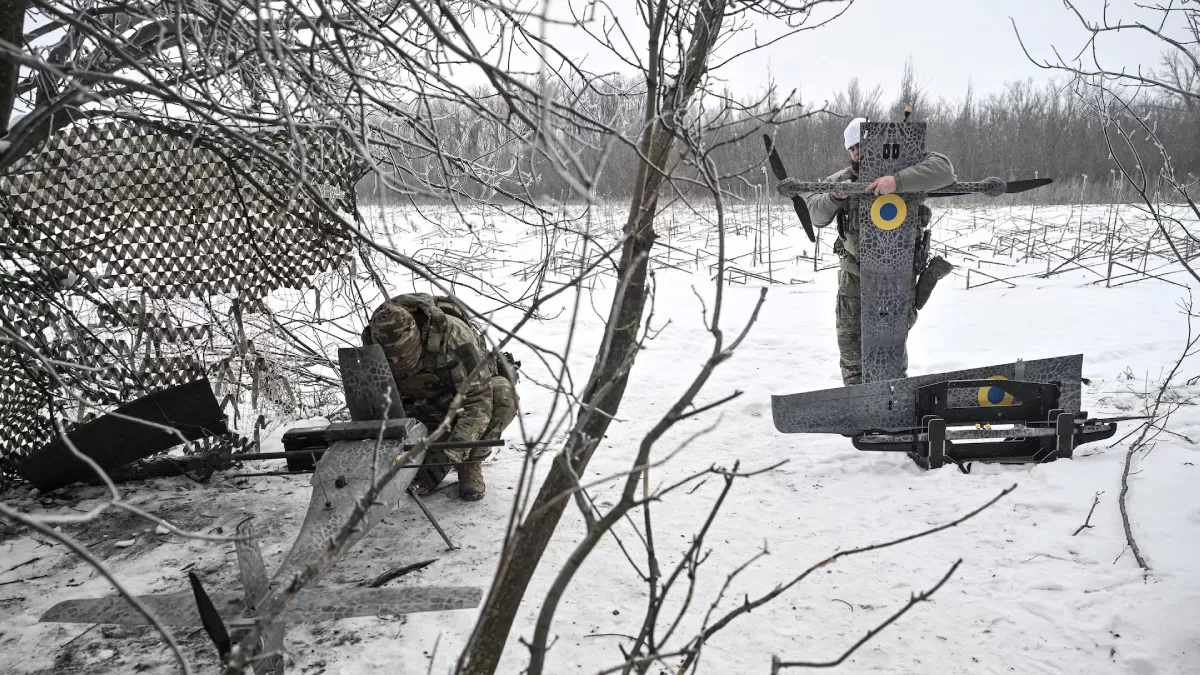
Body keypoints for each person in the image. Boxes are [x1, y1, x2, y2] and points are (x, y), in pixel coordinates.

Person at [803, 117, 957, 385]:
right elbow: (815, 215)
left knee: (890, 350)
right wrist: (835, 196)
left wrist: (897, 181)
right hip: (855, 278)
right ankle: (857, 409)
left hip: (895, 279)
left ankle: (892, 407)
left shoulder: (911, 167)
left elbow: (945, 171)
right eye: (851, 149)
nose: (856, 153)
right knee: (852, 352)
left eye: (861, 146)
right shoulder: (842, 180)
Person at [361, 292, 520, 501]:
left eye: (402, 354)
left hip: (462, 402)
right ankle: (427, 458)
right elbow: (375, 398)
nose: (396, 362)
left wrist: (450, 456)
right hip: (420, 406)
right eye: (389, 358)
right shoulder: (373, 341)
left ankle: (469, 463)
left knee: (502, 395)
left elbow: (478, 399)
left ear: (416, 338)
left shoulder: (456, 337)